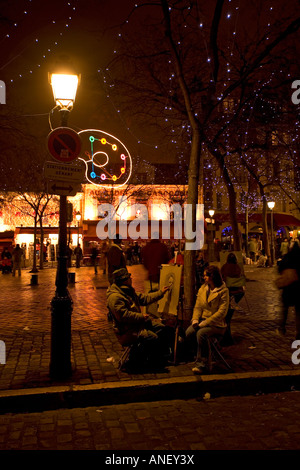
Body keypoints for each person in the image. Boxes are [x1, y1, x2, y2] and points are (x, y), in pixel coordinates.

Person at [106, 268, 172, 370]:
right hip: (127, 331)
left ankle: (159, 357)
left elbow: (144, 298)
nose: (131, 278)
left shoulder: (127, 291)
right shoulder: (115, 297)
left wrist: (161, 292)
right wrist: (141, 316)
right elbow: (123, 316)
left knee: (162, 328)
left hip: (136, 325)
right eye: (129, 277)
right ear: (124, 280)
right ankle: (142, 361)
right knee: (151, 337)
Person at [185, 265, 229, 374]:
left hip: (217, 324)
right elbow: (198, 306)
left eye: (206, 275)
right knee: (189, 332)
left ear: (213, 276)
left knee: (201, 333)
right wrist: (195, 320)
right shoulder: (203, 289)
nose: (204, 277)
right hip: (202, 321)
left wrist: (205, 323)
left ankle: (203, 364)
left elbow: (222, 312)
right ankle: (197, 355)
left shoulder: (223, 291)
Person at [276, 242, 300, 339]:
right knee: (298, 312)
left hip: (288, 287)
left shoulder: (287, 257)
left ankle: (282, 328)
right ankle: (298, 333)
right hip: (299, 287)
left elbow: (279, 269)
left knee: (285, 309)